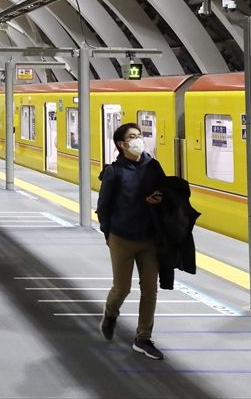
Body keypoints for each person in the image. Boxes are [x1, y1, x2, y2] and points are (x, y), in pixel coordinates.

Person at [96, 122, 167, 360]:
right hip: (122, 238)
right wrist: (108, 235)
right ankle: (110, 314)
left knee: (150, 291)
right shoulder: (114, 172)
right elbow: (103, 208)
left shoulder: (153, 166)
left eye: (139, 135)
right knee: (122, 288)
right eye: (132, 137)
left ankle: (143, 338)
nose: (138, 140)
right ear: (121, 144)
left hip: (149, 239)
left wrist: (161, 199)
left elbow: (166, 193)